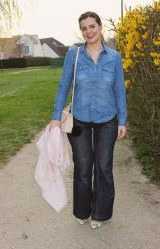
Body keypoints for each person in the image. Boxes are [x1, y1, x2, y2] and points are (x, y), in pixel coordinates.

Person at [50, 11, 127, 229]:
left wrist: (122, 120)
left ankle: (100, 214)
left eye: (92, 26)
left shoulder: (114, 57)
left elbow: (119, 90)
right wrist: (56, 117)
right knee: (83, 168)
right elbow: (64, 86)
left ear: (100, 27)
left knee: (103, 167)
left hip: (108, 119)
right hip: (79, 121)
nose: (88, 32)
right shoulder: (73, 56)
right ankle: (82, 211)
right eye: (84, 28)